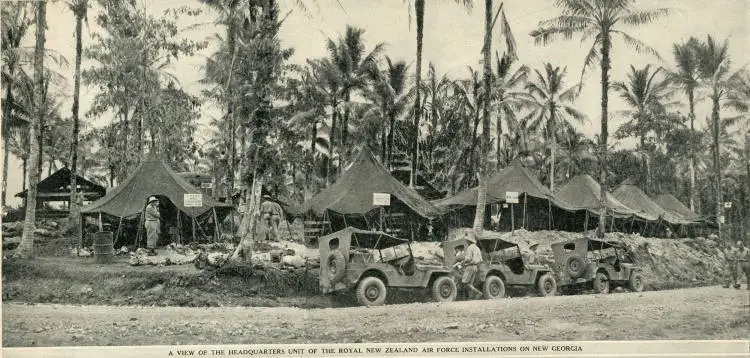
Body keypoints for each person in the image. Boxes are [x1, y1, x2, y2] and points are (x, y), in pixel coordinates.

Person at [454, 232, 484, 299]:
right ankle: (472, 296)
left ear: (469, 241)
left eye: (467, 240)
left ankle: (478, 293)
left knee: (464, 283)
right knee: (470, 284)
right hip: (475, 267)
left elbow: (468, 259)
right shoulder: (477, 248)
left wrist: (461, 263)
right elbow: (481, 259)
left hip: (470, 267)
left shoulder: (470, 248)